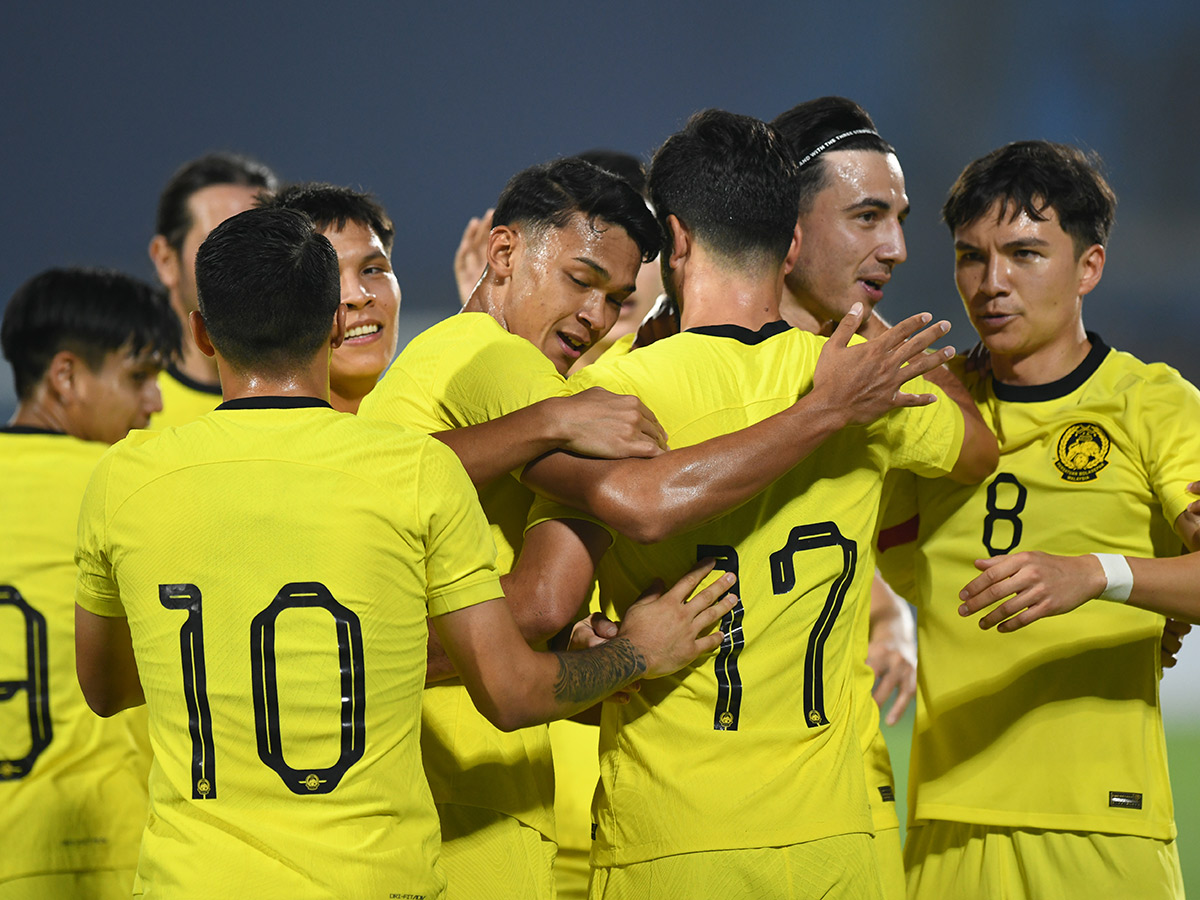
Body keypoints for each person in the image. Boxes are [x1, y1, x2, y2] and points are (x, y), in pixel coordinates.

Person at [72, 206, 737, 900]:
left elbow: (109, 687)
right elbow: (510, 693)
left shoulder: (125, 479)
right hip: (373, 879)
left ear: (203, 332)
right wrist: (638, 653)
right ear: (334, 322)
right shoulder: (414, 472)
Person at [362, 154, 960, 899]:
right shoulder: (506, 367)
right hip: (470, 795)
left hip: (443, 788)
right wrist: (635, 652)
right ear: (504, 252)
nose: (597, 317)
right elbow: (610, 532)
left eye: (615, 298)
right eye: (581, 281)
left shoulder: (462, 362)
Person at [517, 110, 997, 899]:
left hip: (673, 838)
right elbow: (978, 448)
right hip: (839, 843)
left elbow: (545, 605)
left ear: (674, 240)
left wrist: (600, 646)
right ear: (794, 243)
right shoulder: (865, 387)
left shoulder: (615, 398)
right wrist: (871, 333)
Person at [881, 140, 1196, 899]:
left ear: (1088, 267)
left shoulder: (1153, 405)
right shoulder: (927, 408)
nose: (992, 284)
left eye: (1025, 254)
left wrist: (1099, 575)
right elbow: (867, 546)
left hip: (1102, 825)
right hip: (947, 823)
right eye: (971, 257)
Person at [770, 95, 933, 900]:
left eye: (898, 218)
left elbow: (975, 453)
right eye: (868, 216)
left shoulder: (884, 378)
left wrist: (889, 611)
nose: (897, 247)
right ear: (788, 231)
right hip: (691, 817)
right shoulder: (653, 371)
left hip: (846, 808)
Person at [0, 267, 178, 899]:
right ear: (66, 375)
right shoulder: (131, 486)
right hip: (115, 850)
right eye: (140, 377)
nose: (156, 402)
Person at [147, 151, 277, 427]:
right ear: (166, 260)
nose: (249, 264)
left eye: (265, 244)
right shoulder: (124, 414)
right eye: (220, 245)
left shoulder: (330, 397)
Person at [259, 182, 400, 412]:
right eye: (326, 276)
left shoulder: (430, 427)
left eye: (372, 270)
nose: (358, 295)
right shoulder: (264, 443)